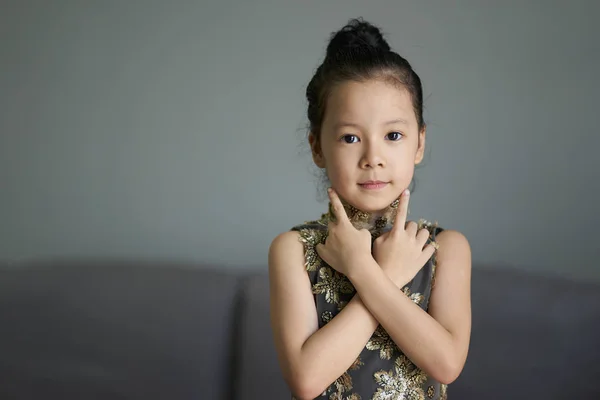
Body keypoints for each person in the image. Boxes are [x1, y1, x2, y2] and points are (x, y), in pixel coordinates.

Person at [268, 17, 472, 400]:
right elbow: (306, 381)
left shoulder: (446, 249)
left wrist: (364, 270)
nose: (373, 157)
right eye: (350, 137)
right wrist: (382, 275)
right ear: (317, 147)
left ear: (419, 143)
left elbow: (446, 364)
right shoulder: (293, 250)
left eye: (393, 135)